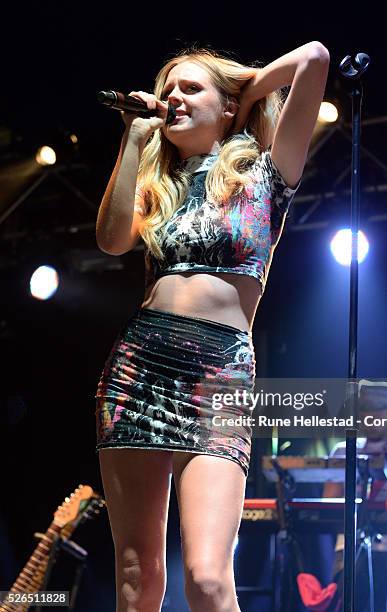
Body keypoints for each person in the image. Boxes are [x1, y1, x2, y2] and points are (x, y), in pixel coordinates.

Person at [95, 43, 330, 612]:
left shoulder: (269, 173)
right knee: (136, 573)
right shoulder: (162, 185)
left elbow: (315, 59)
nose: (172, 97)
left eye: (189, 88)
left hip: (218, 373)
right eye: (167, 89)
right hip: (138, 370)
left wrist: (244, 89)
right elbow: (111, 240)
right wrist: (133, 140)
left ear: (228, 107)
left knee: (206, 576)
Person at [323, 380, 387, 612]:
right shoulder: (343, 451)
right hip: (350, 547)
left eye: (379, 410)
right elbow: (326, 506)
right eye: (366, 410)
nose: (372, 417)